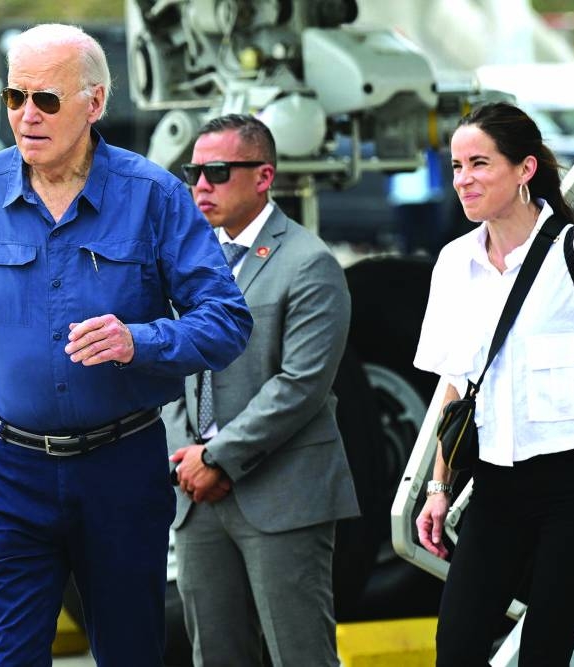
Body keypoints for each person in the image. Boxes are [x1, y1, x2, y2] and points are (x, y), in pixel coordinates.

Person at [0, 23, 252, 667]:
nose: (27, 115)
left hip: (121, 469)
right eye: (15, 98)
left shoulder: (153, 196)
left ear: (95, 103)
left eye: (46, 99)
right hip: (7, 471)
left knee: (131, 652)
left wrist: (141, 340)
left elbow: (226, 320)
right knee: (9, 656)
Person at [414, 102, 574, 666]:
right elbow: (453, 386)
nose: (463, 180)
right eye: (456, 166)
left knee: (544, 656)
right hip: (492, 488)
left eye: (479, 163)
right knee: (455, 650)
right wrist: (438, 487)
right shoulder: (454, 264)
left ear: (525, 169)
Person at [167, 113, 359, 666]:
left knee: (299, 654)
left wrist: (220, 458)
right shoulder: (187, 262)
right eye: (194, 172)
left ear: (264, 176)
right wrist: (186, 459)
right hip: (196, 496)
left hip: (282, 495)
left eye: (219, 171)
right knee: (217, 655)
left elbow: (301, 385)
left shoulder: (309, 263)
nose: (201, 185)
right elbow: (167, 367)